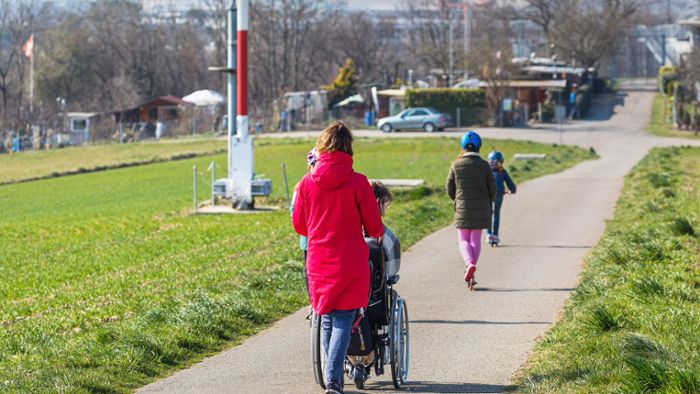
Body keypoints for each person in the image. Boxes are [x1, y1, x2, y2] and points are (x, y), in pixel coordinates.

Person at [293, 121, 384, 394]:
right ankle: (333, 382)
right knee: (344, 319)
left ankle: (332, 379)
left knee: (326, 318)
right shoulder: (358, 182)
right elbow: (375, 227)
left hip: (319, 260)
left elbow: (300, 225)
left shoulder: (307, 183)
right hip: (351, 262)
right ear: (348, 147)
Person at [446, 131, 496, 290]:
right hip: (481, 209)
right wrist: (488, 202)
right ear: (479, 146)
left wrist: (457, 200)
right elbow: (492, 189)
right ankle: (472, 269)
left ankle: (469, 263)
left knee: (463, 239)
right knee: (475, 239)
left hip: (462, 207)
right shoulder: (484, 165)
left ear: (463, 146)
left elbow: (449, 187)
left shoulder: (456, 164)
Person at [370, 181, 400, 280]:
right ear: (379, 202)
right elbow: (393, 270)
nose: (386, 212)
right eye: (386, 207)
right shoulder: (385, 235)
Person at [487, 150, 517, 246]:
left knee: (488, 213)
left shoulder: (486, 170)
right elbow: (510, 184)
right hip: (499, 194)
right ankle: (495, 235)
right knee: (496, 213)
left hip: (487, 194)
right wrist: (512, 190)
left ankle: (488, 234)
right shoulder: (502, 171)